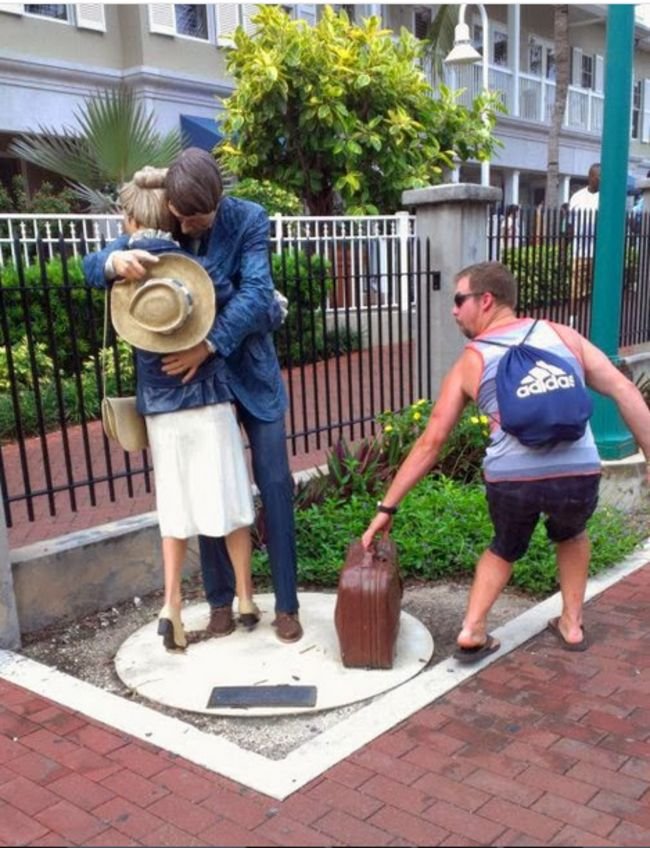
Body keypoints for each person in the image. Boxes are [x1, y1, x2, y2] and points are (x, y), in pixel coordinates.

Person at [362, 261, 650, 662]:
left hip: (512, 478)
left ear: (486, 300)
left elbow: (432, 442)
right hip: (577, 470)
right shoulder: (564, 335)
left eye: (459, 300)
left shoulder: (471, 359)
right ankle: (571, 625)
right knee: (572, 535)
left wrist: (386, 508)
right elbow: (624, 390)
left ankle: (472, 630)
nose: (453, 310)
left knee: (504, 547)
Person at [83, 149, 302, 643]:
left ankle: (286, 605)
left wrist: (209, 344)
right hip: (198, 389)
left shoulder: (249, 218)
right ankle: (221, 602)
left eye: (193, 219)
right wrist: (113, 262)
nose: (183, 226)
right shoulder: (169, 217)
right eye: (178, 217)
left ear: (216, 203)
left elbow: (256, 295)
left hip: (248, 375)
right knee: (206, 487)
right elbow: (93, 265)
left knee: (274, 486)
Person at [568, 162, 600, 300]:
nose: (601, 180)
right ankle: (574, 313)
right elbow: (570, 225)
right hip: (579, 252)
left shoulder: (606, 197)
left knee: (598, 292)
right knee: (576, 291)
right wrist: (566, 248)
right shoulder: (577, 197)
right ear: (590, 177)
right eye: (598, 176)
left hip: (599, 253)